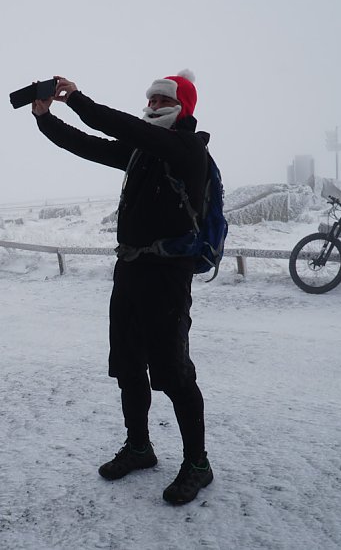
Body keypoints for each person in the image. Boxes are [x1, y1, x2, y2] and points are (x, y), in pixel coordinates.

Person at [31, 71, 214, 505]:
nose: (152, 104)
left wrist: (76, 99)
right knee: (128, 366)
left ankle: (198, 464)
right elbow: (90, 146)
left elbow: (117, 126)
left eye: (161, 99)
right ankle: (139, 447)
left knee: (172, 373)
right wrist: (45, 119)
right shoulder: (143, 151)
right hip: (130, 270)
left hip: (168, 276)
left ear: (182, 106)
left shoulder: (186, 148)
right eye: (149, 98)